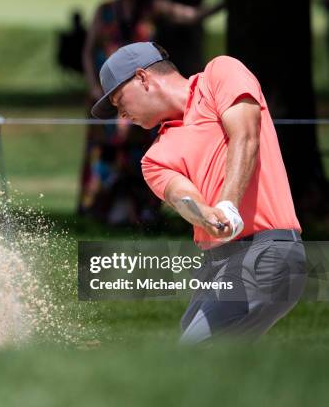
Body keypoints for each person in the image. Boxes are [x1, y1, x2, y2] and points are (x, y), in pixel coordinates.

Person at [91, 42, 306, 343]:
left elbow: (245, 136)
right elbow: (181, 195)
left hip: (266, 252)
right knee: (205, 361)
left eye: (119, 100)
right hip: (217, 266)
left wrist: (227, 205)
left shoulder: (220, 74)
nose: (121, 115)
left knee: (191, 357)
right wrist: (204, 214)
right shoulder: (154, 157)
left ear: (142, 78)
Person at [79, 0, 220, 226]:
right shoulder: (104, 12)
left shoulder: (152, 7)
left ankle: (142, 212)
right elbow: (88, 51)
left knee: (141, 152)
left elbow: (190, 15)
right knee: (105, 153)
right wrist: (95, 88)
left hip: (143, 98)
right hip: (109, 94)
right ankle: (99, 210)